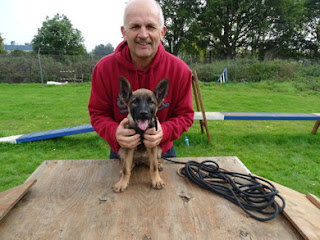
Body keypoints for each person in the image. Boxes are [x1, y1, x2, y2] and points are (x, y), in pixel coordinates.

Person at [88, 0, 194, 159]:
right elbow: (98, 113)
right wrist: (114, 132)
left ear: (162, 32)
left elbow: (185, 115)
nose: (143, 35)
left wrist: (164, 131)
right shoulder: (104, 69)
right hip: (122, 152)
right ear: (124, 32)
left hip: (162, 152)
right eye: (135, 26)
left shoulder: (180, 71)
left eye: (151, 26)